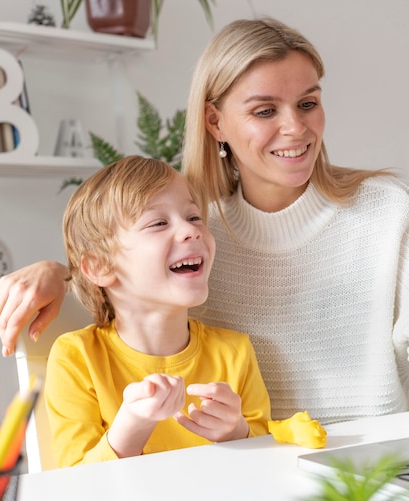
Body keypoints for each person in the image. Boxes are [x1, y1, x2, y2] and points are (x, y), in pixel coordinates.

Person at [0, 17, 409, 427]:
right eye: (264, 110)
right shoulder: (196, 229)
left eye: (308, 103)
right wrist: (61, 271)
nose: (295, 127)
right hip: (247, 470)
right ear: (215, 122)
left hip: (367, 467)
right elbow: (126, 279)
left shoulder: (389, 210)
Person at [44, 155, 270, 467]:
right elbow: (75, 486)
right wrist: (132, 426)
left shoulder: (235, 352)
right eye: (159, 223)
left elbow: (268, 467)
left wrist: (238, 433)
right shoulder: (76, 358)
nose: (191, 231)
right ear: (100, 266)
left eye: (193, 217)